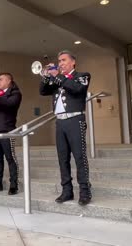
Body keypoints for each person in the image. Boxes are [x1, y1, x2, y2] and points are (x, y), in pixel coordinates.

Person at [39, 50, 92, 206]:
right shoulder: (57, 79)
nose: (60, 63)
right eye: (59, 61)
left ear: (73, 62)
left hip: (75, 120)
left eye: (63, 60)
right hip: (60, 122)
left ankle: (84, 191)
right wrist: (47, 76)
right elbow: (43, 91)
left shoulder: (82, 76)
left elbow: (77, 89)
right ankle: (67, 191)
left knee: (80, 157)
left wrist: (58, 76)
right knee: (63, 159)